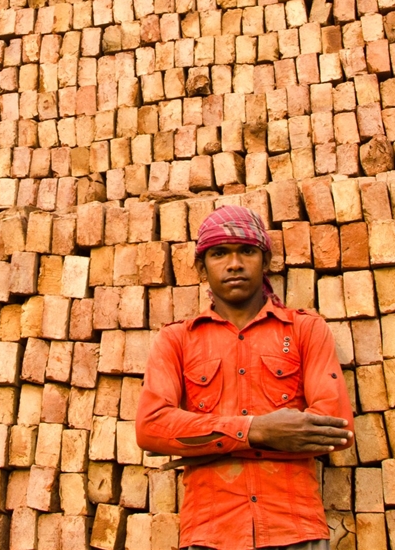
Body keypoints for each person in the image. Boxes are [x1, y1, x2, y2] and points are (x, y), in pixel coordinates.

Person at [135, 204, 354, 550]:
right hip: (210, 533)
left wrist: (206, 444)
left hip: (295, 529)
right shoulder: (177, 339)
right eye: (220, 253)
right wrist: (260, 431)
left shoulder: (304, 330)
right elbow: (151, 428)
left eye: (247, 252)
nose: (234, 264)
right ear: (201, 268)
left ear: (265, 261)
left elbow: (335, 429)